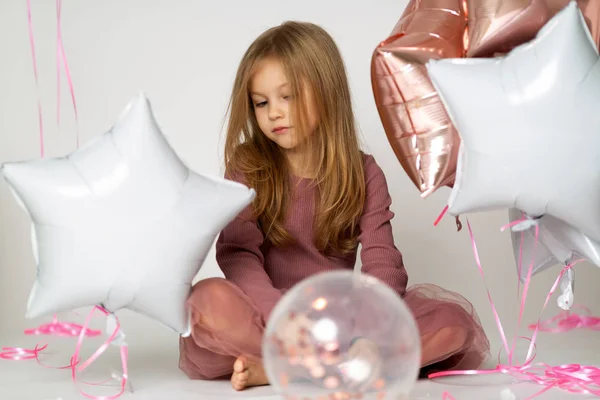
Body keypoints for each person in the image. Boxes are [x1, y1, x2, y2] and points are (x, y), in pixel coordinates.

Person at [179, 20, 490, 391]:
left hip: (344, 323)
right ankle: (326, 366)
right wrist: (284, 316)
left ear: (325, 92)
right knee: (207, 301)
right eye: (261, 103)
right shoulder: (248, 167)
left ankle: (287, 369)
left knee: (451, 323)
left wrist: (364, 330)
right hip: (268, 317)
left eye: (287, 96)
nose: (274, 112)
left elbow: (383, 262)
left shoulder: (364, 173)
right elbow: (238, 255)